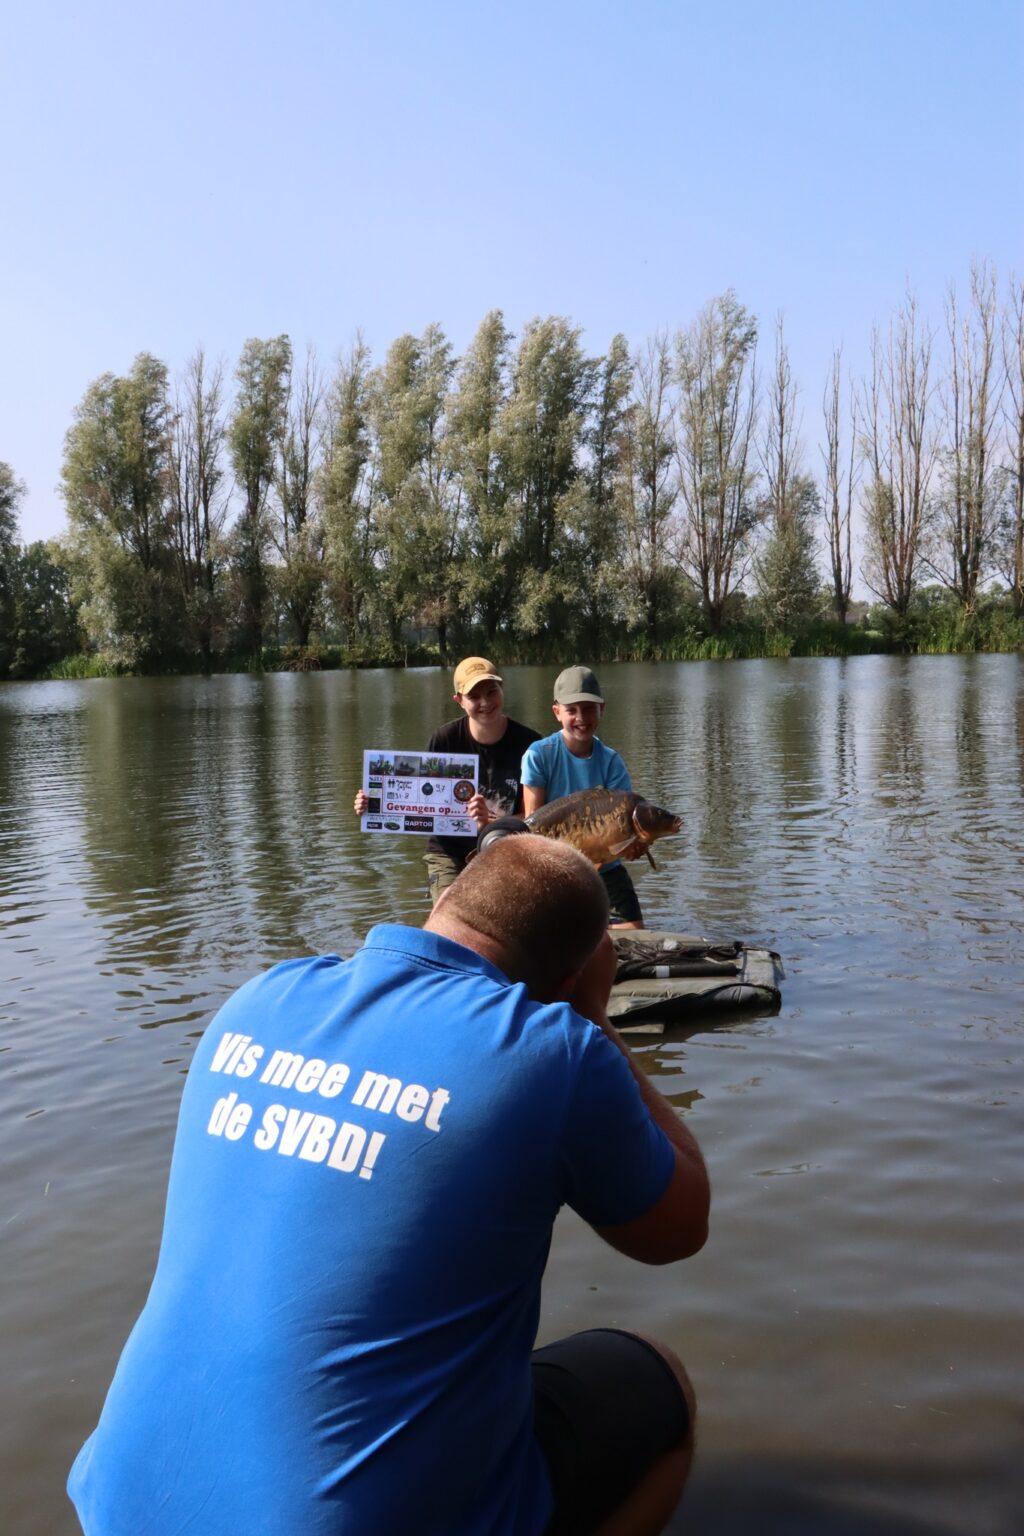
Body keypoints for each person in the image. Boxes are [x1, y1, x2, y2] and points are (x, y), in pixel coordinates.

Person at [68, 836, 711, 1536]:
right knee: (664, 1386)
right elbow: (681, 1226)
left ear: (441, 904)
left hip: (119, 1504)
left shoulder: (264, 996)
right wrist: (593, 1019)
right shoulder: (554, 1049)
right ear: (570, 979)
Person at [354, 656, 540, 906]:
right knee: (448, 914)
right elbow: (418, 799)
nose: (485, 702)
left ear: (502, 690)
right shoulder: (444, 739)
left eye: (491, 692)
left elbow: (535, 816)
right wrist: (374, 805)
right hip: (448, 851)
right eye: (474, 697)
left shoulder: (530, 744)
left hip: (505, 846)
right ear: (459, 701)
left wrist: (493, 823)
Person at [522, 665, 645, 930]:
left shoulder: (611, 762)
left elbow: (623, 829)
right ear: (557, 712)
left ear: (602, 709)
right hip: (553, 866)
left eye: (589, 708)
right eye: (572, 710)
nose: (581, 717)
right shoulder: (539, 755)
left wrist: (634, 845)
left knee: (634, 933)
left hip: (605, 868)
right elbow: (533, 827)